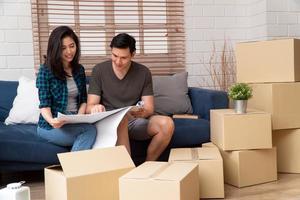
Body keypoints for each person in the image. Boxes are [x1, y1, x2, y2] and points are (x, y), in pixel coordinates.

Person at [86, 33, 174, 160]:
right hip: (110, 122)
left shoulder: (143, 72)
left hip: (133, 121)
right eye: (114, 55)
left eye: (123, 58)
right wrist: (95, 107)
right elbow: (90, 106)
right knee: (121, 120)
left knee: (167, 123)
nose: (118, 61)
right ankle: (126, 172)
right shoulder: (99, 70)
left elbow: (149, 109)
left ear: (133, 55)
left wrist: (138, 112)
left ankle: (147, 165)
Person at [36, 26, 97, 151]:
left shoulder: (79, 69)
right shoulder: (45, 71)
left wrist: (79, 118)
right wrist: (52, 121)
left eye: (72, 46)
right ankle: (74, 169)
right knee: (89, 131)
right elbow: (44, 104)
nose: (69, 51)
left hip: (73, 121)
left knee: (94, 129)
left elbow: (83, 100)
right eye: (63, 48)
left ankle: (74, 167)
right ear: (55, 49)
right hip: (51, 126)